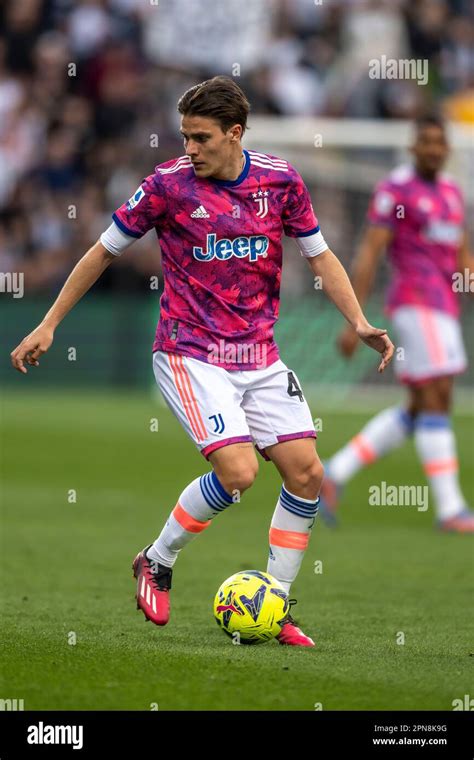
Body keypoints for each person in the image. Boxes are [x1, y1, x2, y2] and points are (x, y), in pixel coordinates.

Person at [11, 76, 394, 646]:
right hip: (191, 353)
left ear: (234, 133)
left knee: (308, 474)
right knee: (239, 473)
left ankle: (278, 604)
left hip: (258, 354)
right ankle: (157, 559)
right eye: (185, 136)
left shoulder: (280, 181)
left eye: (200, 137)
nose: (188, 148)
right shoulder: (166, 186)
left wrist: (358, 320)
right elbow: (101, 251)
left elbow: (321, 256)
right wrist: (48, 323)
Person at [319, 116, 473, 534]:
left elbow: (463, 260)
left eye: (439, 142)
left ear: (447, 149)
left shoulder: (452, 193)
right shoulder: (395, 191)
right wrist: (356, 322)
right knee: (437, 396)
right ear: (413, 146)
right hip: (415, 302)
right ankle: (451, 509)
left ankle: (333, 474)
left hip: (445, 306)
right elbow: (369, 254)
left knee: (422, 403)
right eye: (425, 141)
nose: (433, 149)